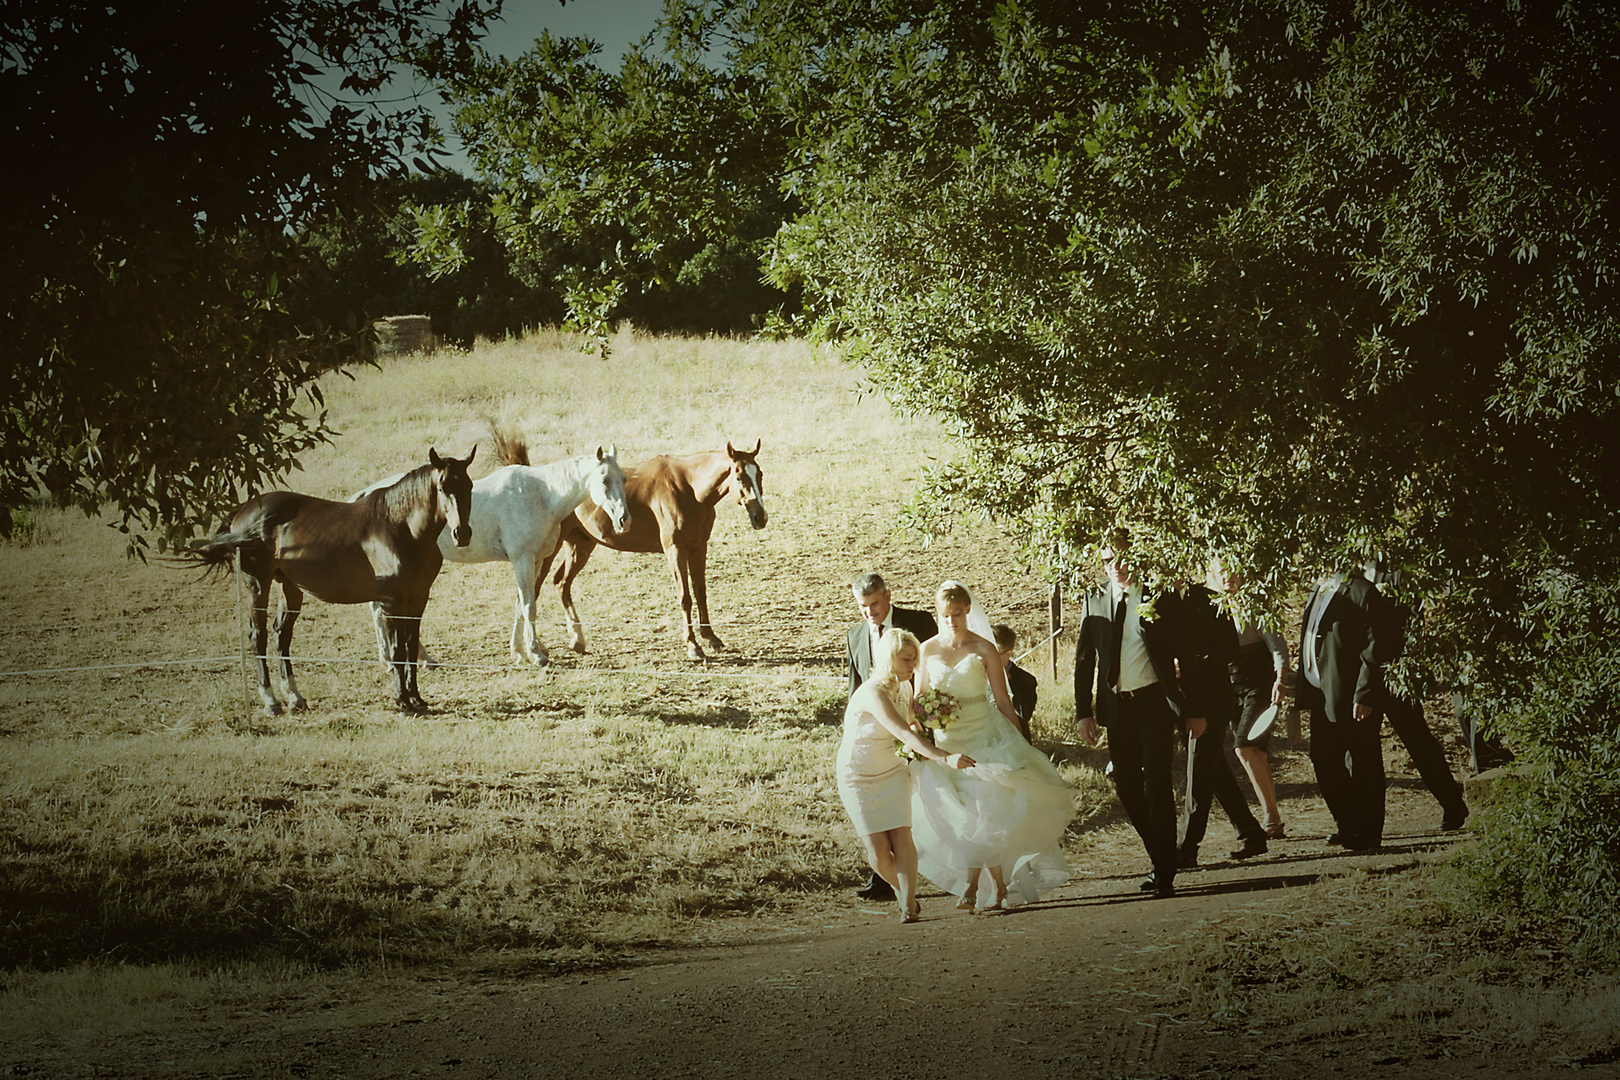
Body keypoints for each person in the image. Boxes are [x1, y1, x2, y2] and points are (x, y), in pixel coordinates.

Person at [911, 581, 1075, 911]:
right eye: (946, 615)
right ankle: (995, 887)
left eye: (957, 614)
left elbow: (1002, 700)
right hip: (948, 740)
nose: (952, 621)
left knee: (982, 807)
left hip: (984, 735)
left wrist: (1019, 740)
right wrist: (922, 728)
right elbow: (918, 700)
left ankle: (974, 888)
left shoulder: (984, 648)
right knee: (967, 815)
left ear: (968, 610)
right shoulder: (927, 650)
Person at [1074, 531, 1208, 898]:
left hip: (1154, 704)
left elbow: (1188, 654)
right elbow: (1085, 658)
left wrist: (1194, 710)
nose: (1115, 567)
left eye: (1121, 558)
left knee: (1157, 785)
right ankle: (1160, 852)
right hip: (1117, 707)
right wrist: (1083, 711)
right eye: (1107, 561)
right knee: (1127, 785)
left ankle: (1163, 872)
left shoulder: (1160, 597)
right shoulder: (1095, 597)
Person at [837, 628, 975, 923]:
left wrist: (926, 726)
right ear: (889, 659)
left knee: (902, 837)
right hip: (858, 775)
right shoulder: (873, 692)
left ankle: (908, 904)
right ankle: (902, 891)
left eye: (914, 660)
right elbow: (900, 730)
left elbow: (910, 725)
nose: (913, 666)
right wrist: (944, 757)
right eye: (907, 660)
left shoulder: (905, 687)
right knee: (877, 853)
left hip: (893, 770)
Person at [845, 571, 938, 902]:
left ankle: (925, 877)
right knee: (879, 830)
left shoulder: (920, 622)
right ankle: (887, 880)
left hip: (915, 724)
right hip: (871, 739)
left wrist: (932, 724)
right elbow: (855, 687)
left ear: (887, 595)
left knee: (912, 817)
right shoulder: (855, 636)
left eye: (874, 604)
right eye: (862, 607)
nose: (869, 612)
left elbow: (934, 672)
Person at [1296, 570, 1399, 851]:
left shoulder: (1362, 591)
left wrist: (1365, 693)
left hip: (1353, 694)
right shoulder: (1320, 587)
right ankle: (1350, 823)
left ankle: (1369, 832)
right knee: (1322, 757)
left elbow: (1376, 645)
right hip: (1322, 693)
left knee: (1364, 761)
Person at [1174, 580, 1270, 867]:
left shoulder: (1211, 600)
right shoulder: (1156, 601)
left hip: (1212, 696)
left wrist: (1189, 662)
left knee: (1201, 768)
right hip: (1181, 698)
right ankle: (1250, 831)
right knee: (1211, 766)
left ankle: (1187, 846)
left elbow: (1230, 650)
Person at [1216, 562, 1291, 839]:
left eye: (1232, 571)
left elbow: (1278, 646)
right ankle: (1272, 817)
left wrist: (1281, 680)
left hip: (1260, 685)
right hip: (1232, 686)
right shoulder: (1215, 606)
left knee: (1245, 747)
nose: (1227, 577)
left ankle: (1271, 816)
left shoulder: (1257, 604)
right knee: (1252, 752)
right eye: (1222, 572)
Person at [992, 623, 1038, 741]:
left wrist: (1008, 681)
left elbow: (1023, 714)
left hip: (1012, 740)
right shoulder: (977, 674)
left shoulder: (1027, 681)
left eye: (994, 654)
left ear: (1009, 654)